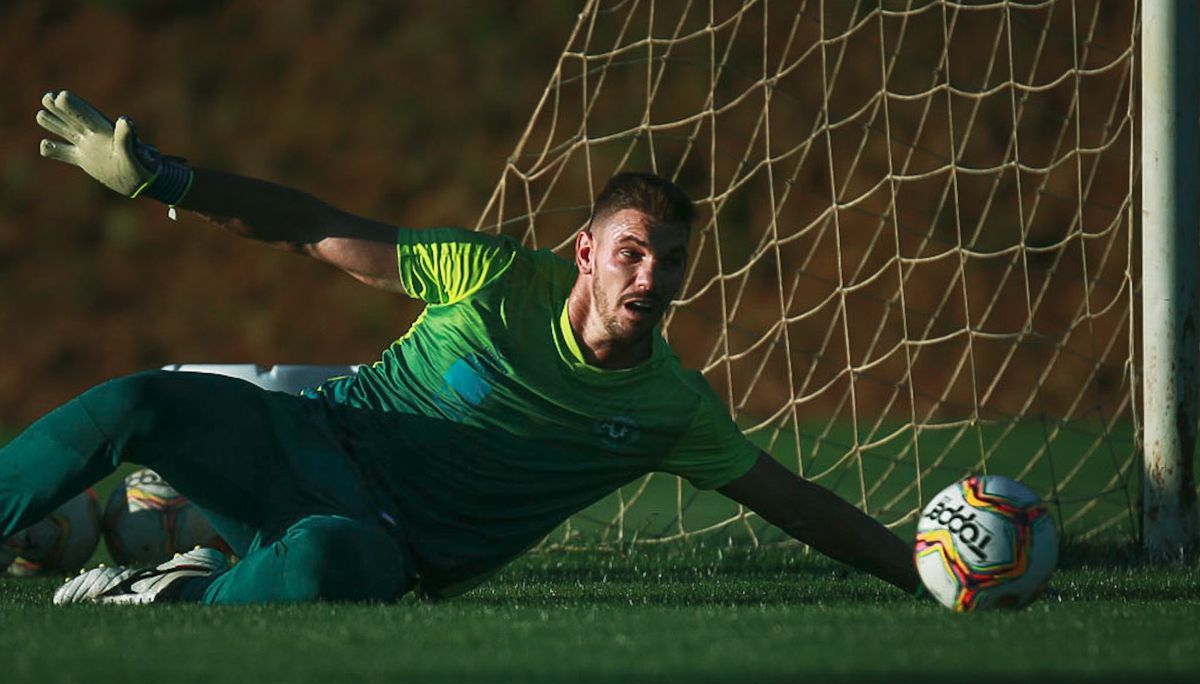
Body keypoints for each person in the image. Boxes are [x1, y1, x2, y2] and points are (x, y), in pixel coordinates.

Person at [3, 89, 919, 605]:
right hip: (305, 438)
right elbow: (309, 226)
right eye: (633, 254)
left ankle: (163, 596)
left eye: (672, 261)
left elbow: (795, 503)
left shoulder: (671, 410)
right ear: (587, 253)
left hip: (380, 541)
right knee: (136, 402)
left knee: (327, 566)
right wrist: (166, 179)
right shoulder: (487, 274)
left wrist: (921, 574)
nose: (653, 277)